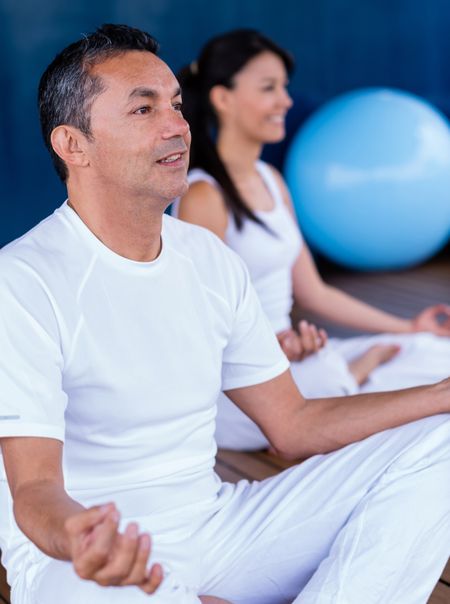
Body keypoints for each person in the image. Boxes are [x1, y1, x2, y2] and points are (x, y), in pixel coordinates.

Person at [0, 23, 449, 604]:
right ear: (72, 145)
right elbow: (33, 489)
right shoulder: (23, 280)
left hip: (218, 529)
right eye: (144, 109)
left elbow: (293, 424)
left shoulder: (209, 259)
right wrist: (78, 536)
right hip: (90, 565)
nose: (177, 126)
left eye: (176, 105)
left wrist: (440, 393)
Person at [173, 29, 450, 450]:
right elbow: (200, 323)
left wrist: (409, 327)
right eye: (269, 88)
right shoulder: (203, 195)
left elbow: (314, 292)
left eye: (284, 87)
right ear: (223, 98)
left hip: (298, 355)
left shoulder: (272, 180)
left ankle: (353, 372)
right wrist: (274, 350)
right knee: (349, 386)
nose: (285, 101)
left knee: (431, 351)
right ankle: (352, 375)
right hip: (246, 384)